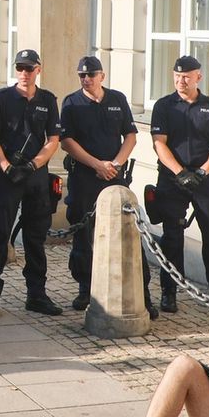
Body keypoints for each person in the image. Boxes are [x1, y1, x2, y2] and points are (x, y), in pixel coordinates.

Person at [0, 48, 64, 318]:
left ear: (38, 70)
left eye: (29, 68)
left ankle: (36, 295)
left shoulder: (48, 100)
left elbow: (53, 139)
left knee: (35, 239)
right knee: (0, 236)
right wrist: (6, 167)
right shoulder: (2, 99)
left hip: (36, 177)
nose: (24, 73)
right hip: (8, 176)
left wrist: (33, 165)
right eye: (20, 68)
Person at [59, 55, 142, 312]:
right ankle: (86, 289)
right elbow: (67, 141)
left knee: (123, 231)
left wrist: (115, 164)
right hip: (85, 176)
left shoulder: (117, 99)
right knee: (83, 234)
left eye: (91, 75)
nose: (86, 79)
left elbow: (130, 136)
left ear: (101, 76)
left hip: (114, 175)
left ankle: (136, 290)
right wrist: (96, 164)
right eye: (82, 75)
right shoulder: (72, 102)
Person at [150, 55, 209, 310]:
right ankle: (169, 293)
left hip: (204, 180)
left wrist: (202, 172)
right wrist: (179, 172)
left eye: (186, 76)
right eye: (177, 76)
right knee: (172, 237)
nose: (181, 81)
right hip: (172, 180)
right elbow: (159, 143)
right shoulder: (165, 106)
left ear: (199, 76)